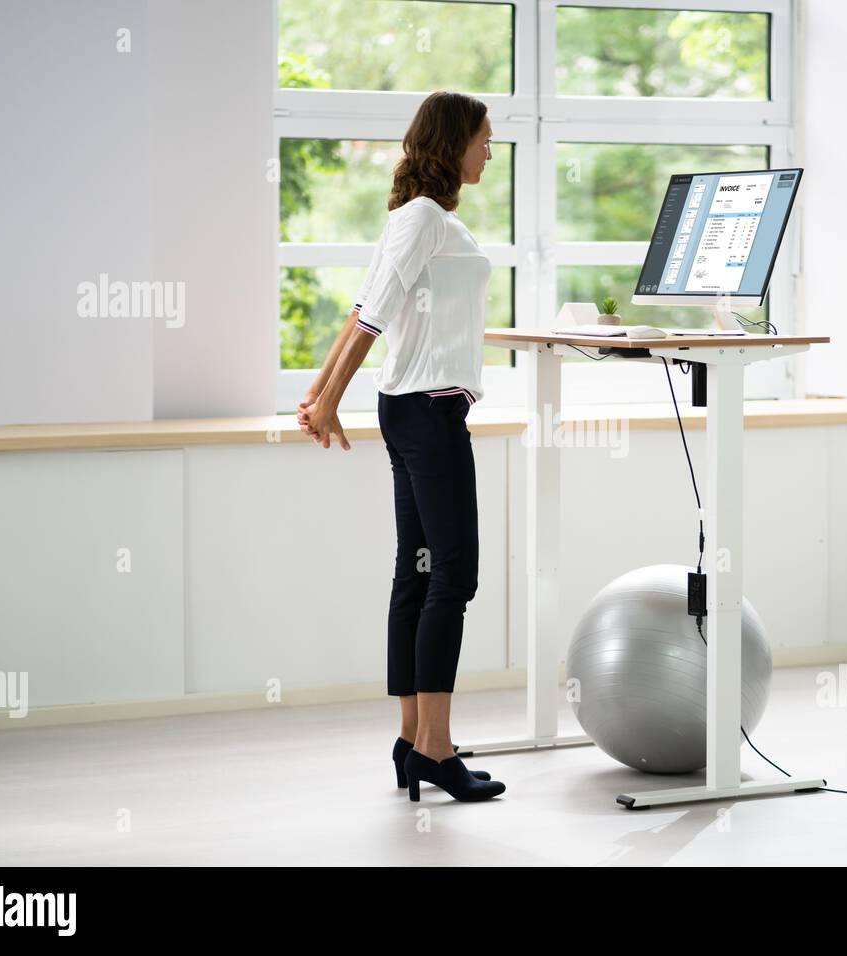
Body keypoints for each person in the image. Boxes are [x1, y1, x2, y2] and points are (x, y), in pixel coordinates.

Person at [298, 91, 504, 803]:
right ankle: (436, 749)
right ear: (453, 143)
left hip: (410, 407)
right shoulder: (424, 219)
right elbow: (373, 319)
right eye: (483, 137)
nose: (489, 149)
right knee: (454, 576)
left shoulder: (419, 218)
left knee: (417, 571)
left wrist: (320, 391)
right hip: (429, 411)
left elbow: (361, 307)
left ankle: (416, 740)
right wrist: (325, 398)